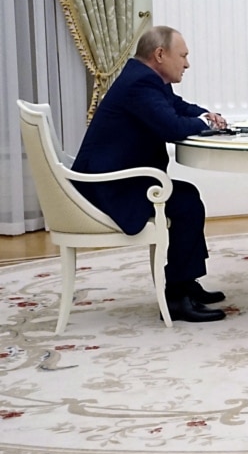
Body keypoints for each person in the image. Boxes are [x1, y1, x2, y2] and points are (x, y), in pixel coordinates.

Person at [72, 26, 231, 322]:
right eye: (182, 55)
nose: (187, 63)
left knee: (186, 197)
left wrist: (207, 114)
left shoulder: (146, 79)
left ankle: (185, 284)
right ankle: (176, 298)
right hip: (107, 189)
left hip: (120, 179)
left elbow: (177, 107)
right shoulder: (140, 84)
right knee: (185, 203)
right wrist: (203, 124)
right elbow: (172, 127)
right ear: (160, 54)